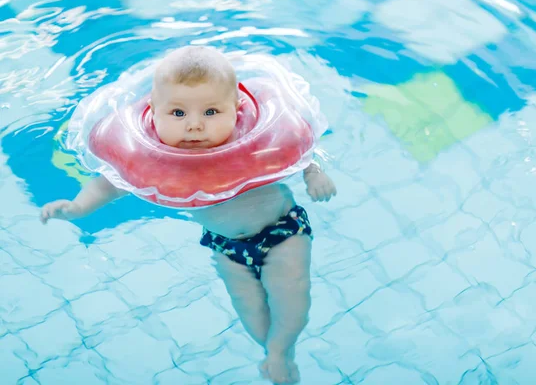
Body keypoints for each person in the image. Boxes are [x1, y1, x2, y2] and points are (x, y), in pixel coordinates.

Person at [40, 46, 337, 384]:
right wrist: (77, 208)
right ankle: (269, 350)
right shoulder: (151, 159)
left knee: (291, 288)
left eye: (211, 112)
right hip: (225, 244)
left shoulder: (257, 138)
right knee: (247, 302)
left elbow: (296, 147)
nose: (195, 126)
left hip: (281, 230)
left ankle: (282, 350)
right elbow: (110, 184)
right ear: (153, 112)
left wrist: (314, 174)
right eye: (178, 113)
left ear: (238, 110)